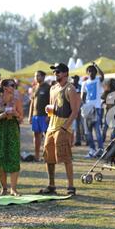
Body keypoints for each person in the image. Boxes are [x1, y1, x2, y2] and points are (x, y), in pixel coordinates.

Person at [40, 63, 80, 196]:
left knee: (65, 156)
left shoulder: (70, 89)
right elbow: (53, 107)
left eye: (58, 71)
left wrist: (64, 127)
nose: (55, 73)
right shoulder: (53, 88)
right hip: (51, 126)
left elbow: (75, 112)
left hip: (63, 127)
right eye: (54, 72)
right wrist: (48, 112)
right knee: (48, 157)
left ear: (65, 73)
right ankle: (51, 186)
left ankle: (71, 186)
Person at [0, 79, 23, 196]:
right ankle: (4, 188)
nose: (14, 87)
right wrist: (2, 115)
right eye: (12, 85)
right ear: (4, 87)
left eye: (14, 85)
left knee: (13, 157)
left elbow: (21, 119)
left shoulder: (16, 101)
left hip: (12, 130)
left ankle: (13, 189)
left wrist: (15, 114)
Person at [81, 63, 105, 158]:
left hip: (97, 108)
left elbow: (102, 75)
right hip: (88, 109)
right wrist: (83, 106)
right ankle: (92, 150)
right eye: (89, 71)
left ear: (95, 72)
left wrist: (97, 67)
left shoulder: (98, 80)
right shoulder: (85, 83)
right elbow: (82, 96)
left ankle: (100, 150)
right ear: (87, 73)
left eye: (93, 71)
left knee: (97, 130)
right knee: (88, 131)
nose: (91, 73)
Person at [28, 71, 51, 162]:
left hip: (44, 115)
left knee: (47, 136)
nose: (36, 77)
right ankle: (36, 156)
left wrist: (49, 115)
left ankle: (47, 156)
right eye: (35, 76)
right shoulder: (34, 88)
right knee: (36, 136)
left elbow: (51, 103)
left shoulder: (48, 88)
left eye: (38, 76)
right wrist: (30, 116)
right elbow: (32, 103)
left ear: (43, 77)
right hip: (35, 115)